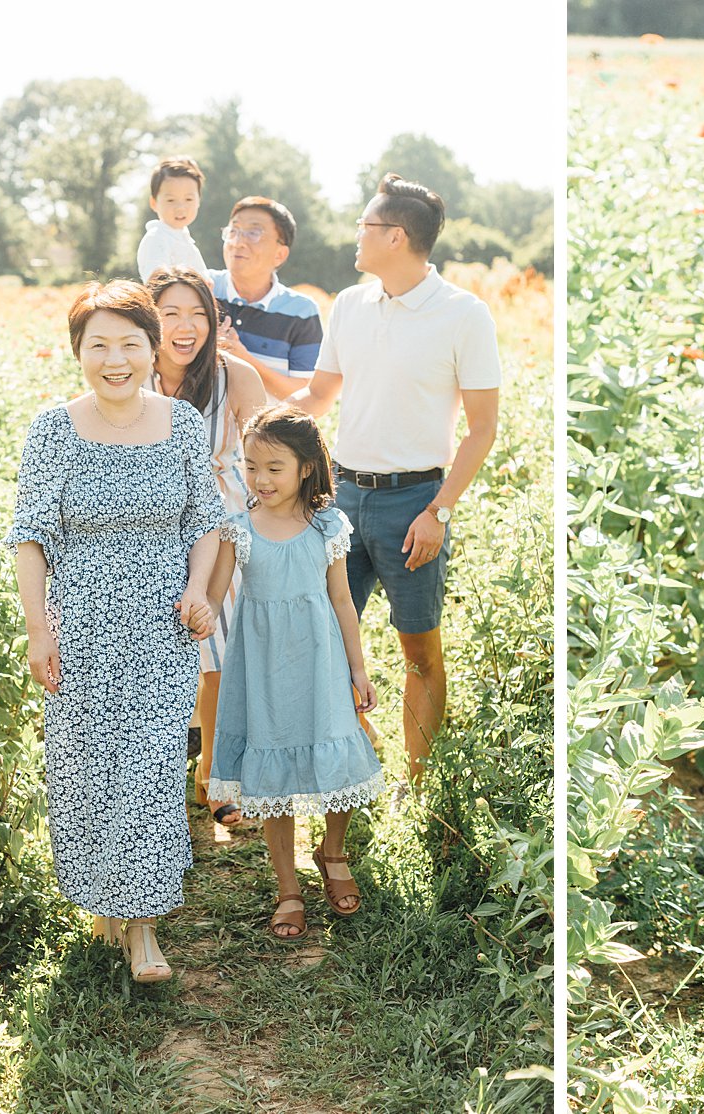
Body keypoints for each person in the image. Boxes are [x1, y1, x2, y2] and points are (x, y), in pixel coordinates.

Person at [5, 279, 222, 984]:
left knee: (150, 774)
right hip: (81, 631)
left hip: (162, 632)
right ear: (78, 353)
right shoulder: (52, 429)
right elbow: (31, 535)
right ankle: (106, 901)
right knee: (87, 774)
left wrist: (197, 588)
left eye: (130, 342)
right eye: (98, 344)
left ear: (153, 348)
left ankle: (144, 932)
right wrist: (40, 629)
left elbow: (206, 521)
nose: (115, 358)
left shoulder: (182, 424)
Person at [290, 173, 500, 785]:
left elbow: (482, 428)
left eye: (365, 226)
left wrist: (439, 510)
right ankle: (359, 755)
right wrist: (247, 402)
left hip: (417, 503)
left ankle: (420, 788)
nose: (356, 235)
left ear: (397, 236)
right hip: (341, 498)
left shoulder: (464, 314)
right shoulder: (350, 305)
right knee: (324, 642)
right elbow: (320, 396)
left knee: (420, 652)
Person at [195, 405, 385, 932]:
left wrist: (358, 669)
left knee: (337, 759)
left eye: (274, 467)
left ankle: (334, 853)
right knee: (275, 766)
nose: (260, 479)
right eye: (252, 467)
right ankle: (287, 887)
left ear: (306, 467)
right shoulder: (239, 528)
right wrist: (198, 612)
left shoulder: (327, 524)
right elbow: (214, 596)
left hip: (321, 662)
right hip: (263, 666)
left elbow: (343, 602)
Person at [145, 267, 268, 827]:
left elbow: (267, 456)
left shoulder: (232, 376)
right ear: (150, 319)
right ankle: (157, 779)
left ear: (215, 321)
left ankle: (216, 774)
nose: (185, 326)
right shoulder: (132, 373)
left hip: (222, 523)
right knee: (159, 655)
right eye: (170, 313)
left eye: (198, 313)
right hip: (148, 524)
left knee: (217, 653)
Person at [207, 196, 323, 401]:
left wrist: (243, 359)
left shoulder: (302, 312)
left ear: (280, 254)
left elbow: (305, 395)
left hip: (263, 432)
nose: (238, 242)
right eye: (233, 231)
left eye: (253, 233)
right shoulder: (203, 288)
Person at [137, 157, 209, 282]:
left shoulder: (184, 238)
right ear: (154, 203)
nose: (180, 208)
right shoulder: (156, 239)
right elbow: (157, 283)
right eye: (171, 200)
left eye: (189, 199)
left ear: (198, 201)